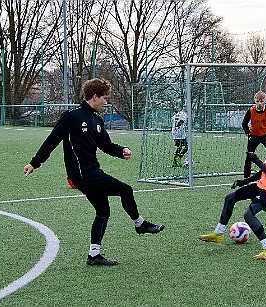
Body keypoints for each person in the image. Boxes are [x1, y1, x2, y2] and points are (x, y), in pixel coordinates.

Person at [23, 78, 164, 266]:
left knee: (103, 211)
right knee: (126, 190)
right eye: (104, 98)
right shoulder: (72, 116)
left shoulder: (97, 119)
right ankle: (140, 224)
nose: (106, 102)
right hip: (82, 174)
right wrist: (34, 163)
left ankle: (94, 255)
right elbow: (52, 140)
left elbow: (105, 145)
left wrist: (121, 151)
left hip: (91, 172)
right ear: (95, 97)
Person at [199, 119, 266, 259]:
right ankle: (218, 233)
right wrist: (244, 181)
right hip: (261, 185)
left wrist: (255, 159)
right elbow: (263, 172)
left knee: (248, 214)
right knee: (230, 197)